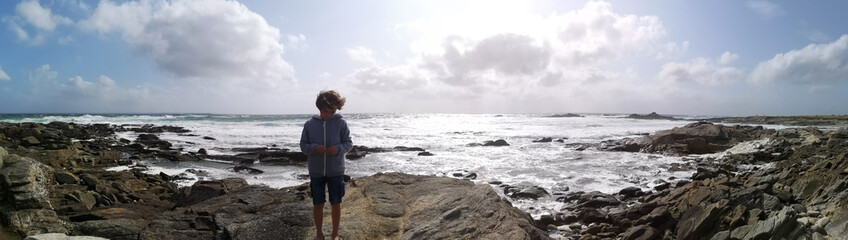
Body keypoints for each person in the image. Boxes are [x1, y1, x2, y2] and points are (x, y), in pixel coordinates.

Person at [300, 90, 352, 240]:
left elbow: (348, 143)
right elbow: (303, 146)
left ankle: (334, 234)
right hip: (316, 172)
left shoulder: (341, 123)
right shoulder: (309, 125)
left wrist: (338, 149)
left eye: (332, 111)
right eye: (326, 111)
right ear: (319, 108)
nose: (329, 114)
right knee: (318, 204)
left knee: (336, 203)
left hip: (336, 170)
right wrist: (314, 148)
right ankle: (319, 234)